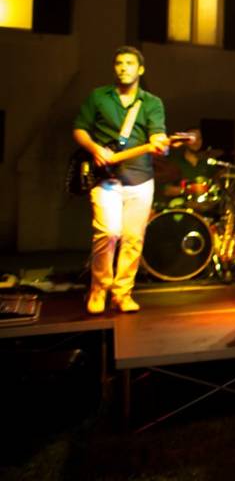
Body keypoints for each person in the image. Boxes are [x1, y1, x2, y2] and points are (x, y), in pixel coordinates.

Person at [73, 46, 169, 314]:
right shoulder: (98, 97)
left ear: (140, 70)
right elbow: (80, 129)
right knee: (108, 232)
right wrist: (95, 149)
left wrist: (160, 144)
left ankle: (123, 292)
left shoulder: (152, 103)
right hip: (106, 180)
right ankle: (99, 288)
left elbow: (157, 136)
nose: (123, 67)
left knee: (133, 238)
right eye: (119, 63)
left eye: (129, 63)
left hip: (140, 179)